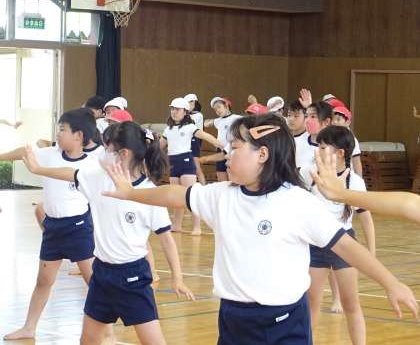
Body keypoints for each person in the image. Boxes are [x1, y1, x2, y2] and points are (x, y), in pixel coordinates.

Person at [101, 113, 418, 344]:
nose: (227, 155)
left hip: (284, 324)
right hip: (233, 319)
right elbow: (174, 195)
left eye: (236, 147)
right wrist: (131, 193)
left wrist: (391, 283)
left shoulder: (297, 202)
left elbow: (348, 247)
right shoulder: (220, 196)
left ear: (262, 154)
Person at [22, 121, 195, 345]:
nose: (101, 154)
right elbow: (70, 173)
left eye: (106, 149)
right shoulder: (97, 179)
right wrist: (39, 169)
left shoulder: (149, 193)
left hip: (133, 278)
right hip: (102, 275)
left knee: (153, 342)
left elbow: (167, 240)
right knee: (88, 340)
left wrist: (177, 279)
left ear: (123, 154)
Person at [3, 109, 98, 341]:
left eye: (62, 129)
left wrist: (39, 169)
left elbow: (70, 173)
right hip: (53, 228)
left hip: (79, 229)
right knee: (43, 281)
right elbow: (25, 152)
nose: (58, 133)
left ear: (79, 135)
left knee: (95, 283)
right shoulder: (50, 154)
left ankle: (108, 332)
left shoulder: (91, 164)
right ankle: (29, 327)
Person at [300, 126, 375, 345]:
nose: (318, 151)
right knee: (311, 302)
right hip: (316, 244)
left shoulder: (355, 182)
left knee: (351, 303)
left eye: (323, 147)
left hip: (344, 243)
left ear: (340, 153)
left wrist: (370, 254)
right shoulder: (309, 173)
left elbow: (366, 219)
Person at [161, 97, 223, 234]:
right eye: (172, 109)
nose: (174, 112)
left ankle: (197, 227)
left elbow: (205, 135)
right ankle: (176, 225)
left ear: (185, 112)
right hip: (173, 163)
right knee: (176, 197)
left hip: (186, 162)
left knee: (191, 196)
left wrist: (218, 143)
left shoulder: (190, 127)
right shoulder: (168, 130)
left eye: (177, 109)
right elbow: (159, 146)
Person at [204, 96, 241, 181]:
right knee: (220, 175)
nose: (217, 110)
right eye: (215, 109)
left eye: (219, 107)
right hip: (220, 150)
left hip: (231, 150)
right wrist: (209, 122)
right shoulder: (218, 121)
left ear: (226, 106)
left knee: (232, 177)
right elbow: (206, 123)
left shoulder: (237, 118)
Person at [332, 106, 363, 176]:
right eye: (333, 119)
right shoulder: (328, 138)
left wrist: (360, 179)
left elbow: (356, 162)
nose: (334, 122)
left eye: (338, 119)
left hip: (347, 176)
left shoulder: (352, 139)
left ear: (347, 122)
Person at [184, 94, 206, 185]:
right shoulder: (185, 114)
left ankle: (204, 188)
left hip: (194, 141)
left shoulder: (198, 115)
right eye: (187, 103)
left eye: (191, 102)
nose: (189, 104)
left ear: (195, 103)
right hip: (184, 141)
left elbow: (191, 123)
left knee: (196, 167)